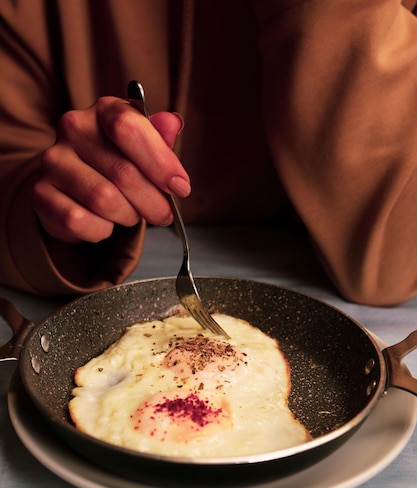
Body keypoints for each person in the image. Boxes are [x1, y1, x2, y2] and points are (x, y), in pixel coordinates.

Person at [1, 0, 417, 305]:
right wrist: (54, 211)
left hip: (334, 296)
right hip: (92, 290)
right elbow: (12, 161)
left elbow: (392, 267)